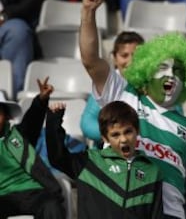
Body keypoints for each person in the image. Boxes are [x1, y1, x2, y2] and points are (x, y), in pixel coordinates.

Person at [80, 0, 186, 219]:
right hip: (120, 202)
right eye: (162, 68)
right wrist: (88, 13)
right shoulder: (123, 95)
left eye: (178, 71)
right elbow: (90, 60)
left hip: (168, 212)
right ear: (147, 74)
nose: (171, 76)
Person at [46, 100, 164, 218]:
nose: (123, 139)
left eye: (128, 132)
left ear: (137, 131)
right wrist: (54, 120)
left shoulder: (152, 171)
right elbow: (57, 157)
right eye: (115, 135)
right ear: (105, 138)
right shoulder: (89, 162)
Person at [0, 77, 65, 218]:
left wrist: (41, 100)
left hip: (33, 192)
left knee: (51, 206)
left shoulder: (18, 135)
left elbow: (33, 120)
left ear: (6, 116)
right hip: (2, 198)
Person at [80, 31, 144, 146]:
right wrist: (116, 135)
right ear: (114, 58)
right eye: (124, 55)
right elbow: (87, 123)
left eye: (137, 56)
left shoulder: (156, 84)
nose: (130, 61)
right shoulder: (108, 83)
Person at [0, 0, 43, 98]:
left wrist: (4, 16)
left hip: (6, 24)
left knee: (18, 30)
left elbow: (32, 0)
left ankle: (12, 101)